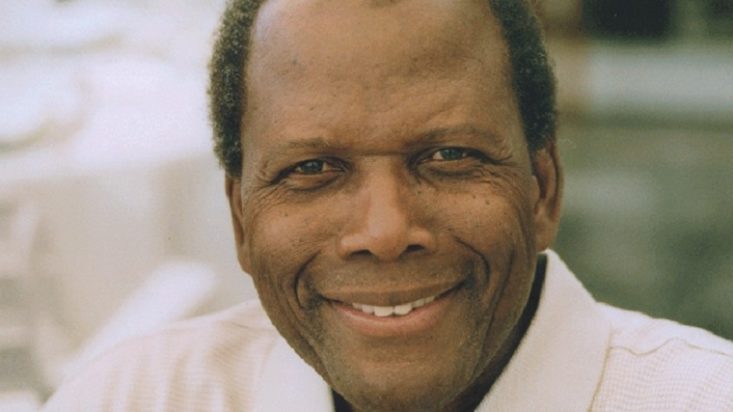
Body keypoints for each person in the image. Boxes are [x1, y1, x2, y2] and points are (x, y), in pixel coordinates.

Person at [43, 0, 733, 411]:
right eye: (312, 169)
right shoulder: (130, 399)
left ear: (542, 189)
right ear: (241, 220)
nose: (384, 231)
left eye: (449, 156)